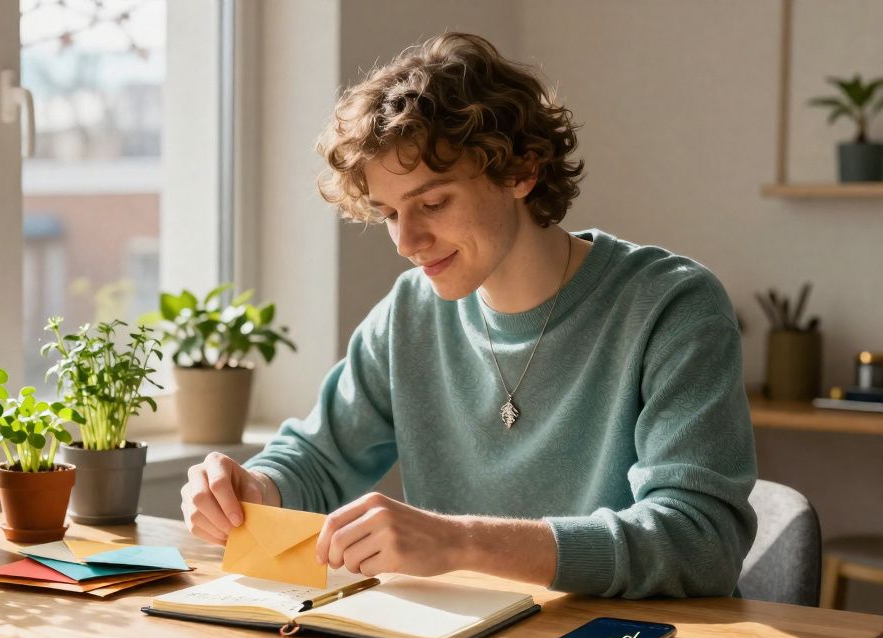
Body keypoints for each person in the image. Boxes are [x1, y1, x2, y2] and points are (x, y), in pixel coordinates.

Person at [179, 31, 757, 599]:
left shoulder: (671, 307)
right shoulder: (409, 313)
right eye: (388, 214)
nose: (407, 240)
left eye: (433, 203)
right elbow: (319, 458)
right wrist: (251, 486)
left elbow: (699, 541)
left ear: (521, 172)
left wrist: (460, 542)